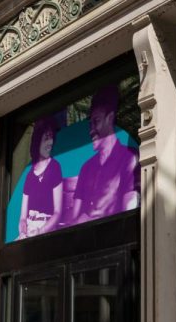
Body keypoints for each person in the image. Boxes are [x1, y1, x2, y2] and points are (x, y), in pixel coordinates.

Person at [71, 84, 139, 224]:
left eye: (96, 122)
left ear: (110, 118)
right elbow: (74, 218)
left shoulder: (129, 157)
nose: (91, 131)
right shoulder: (86, 167)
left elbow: (130, 211)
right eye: (90, 125)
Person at [18, 113, 65, 238]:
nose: (50, 142)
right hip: (29, 229)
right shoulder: (29, 175)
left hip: (45, 229)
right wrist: (23, 231)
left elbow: (57, 213)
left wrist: (40, 231)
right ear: (37, 140)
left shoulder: (55, 167)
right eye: (46, 138)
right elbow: (23, 217)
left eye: (51, 137)